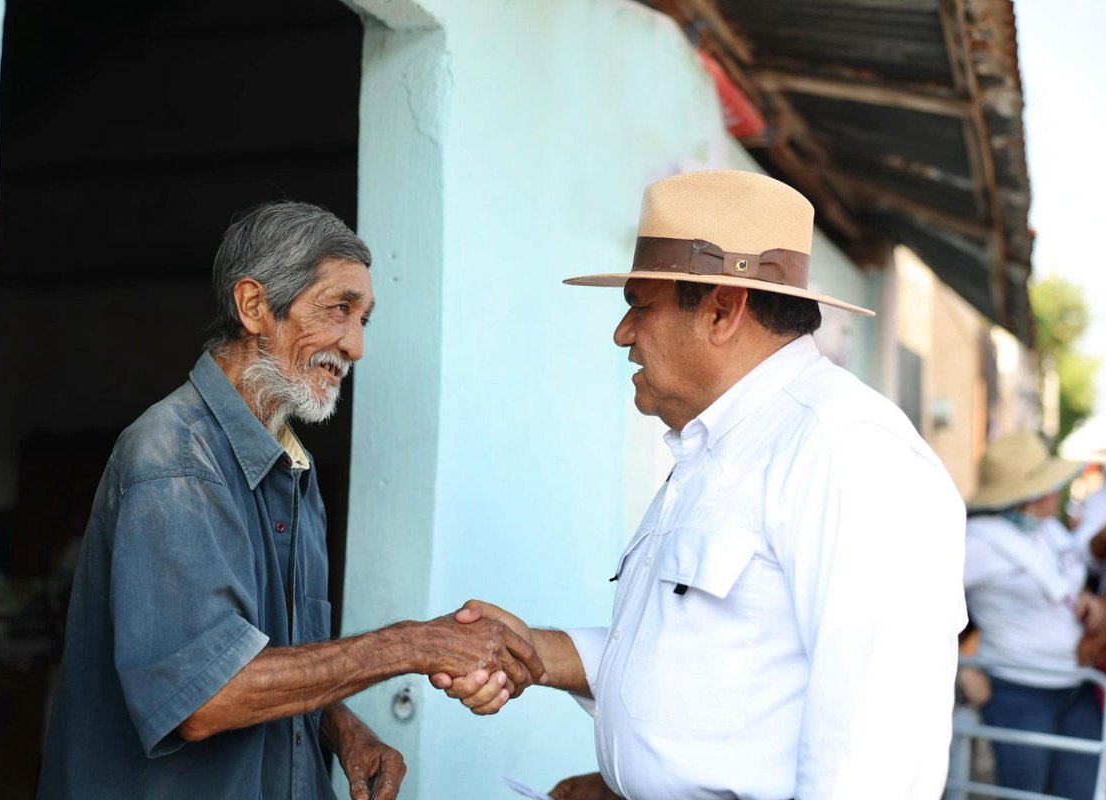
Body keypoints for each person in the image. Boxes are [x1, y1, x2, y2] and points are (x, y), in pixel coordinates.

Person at [433, 171, 968, 799]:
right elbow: (699, 664)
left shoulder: (848, 450)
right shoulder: (722, 445)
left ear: (721, 310)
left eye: (641, 305)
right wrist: (536, 653)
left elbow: (878, 758)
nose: (623, 333)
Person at [37, 202, 545, 800]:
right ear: (254, 306)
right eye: (339, 309)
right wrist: (415, 644)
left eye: (363, 319)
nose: (355, 345)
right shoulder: (175, 459)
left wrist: (344, 730)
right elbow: (204, 697)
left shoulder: (290, 466)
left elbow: (271, 660)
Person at [963, 431, 1104, 799]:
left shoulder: (1048, 530)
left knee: (1082, 790)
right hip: (1019, 693)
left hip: (1075, 687)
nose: (1058, 489)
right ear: (1030, 495)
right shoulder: (976, 544)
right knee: (1025, 793)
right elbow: (918, 607)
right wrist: (962, 667)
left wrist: (1085, 596)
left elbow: (1063, 577)